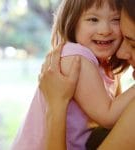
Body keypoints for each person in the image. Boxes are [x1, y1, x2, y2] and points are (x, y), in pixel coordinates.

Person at [12, 0, 135, 150]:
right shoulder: (76, 58)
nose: (105, 30)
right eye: (93, 19)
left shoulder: (101, 64)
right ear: (72, 22)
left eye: (115, 20)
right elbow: (108, 116)